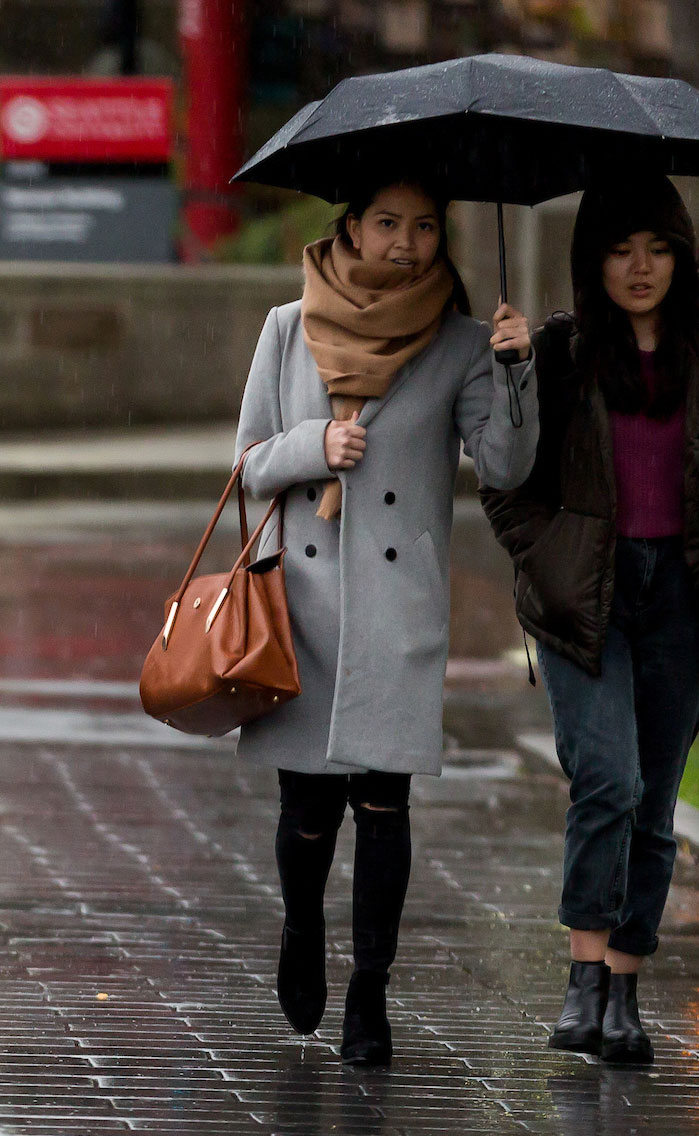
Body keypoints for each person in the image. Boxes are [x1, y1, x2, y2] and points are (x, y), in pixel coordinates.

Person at [481, 175, 699, 1068]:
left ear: (683, 257)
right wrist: (544, 560)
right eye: (621, 249)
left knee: (654, 803)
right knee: (608, 780)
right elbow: (504, 477)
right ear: (594, 261)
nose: (640, 267)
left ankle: (624, 986)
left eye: (657, 248)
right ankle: (583, 976)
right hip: (589, 599)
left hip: (684, 604)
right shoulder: (559, 350)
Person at [232, 178, 537, 1066]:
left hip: (399, 607)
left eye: (427, 226)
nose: (407, 243)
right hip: (303, 603)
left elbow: (508, 466)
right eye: (389, 224)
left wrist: (517, 369)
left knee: (385, 805)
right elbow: (248, 459)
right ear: (352, 228)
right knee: (307, 808)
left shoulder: (463, 341)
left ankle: (371, 990)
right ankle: (300, 930)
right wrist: (312, 448)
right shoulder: (287, 326)